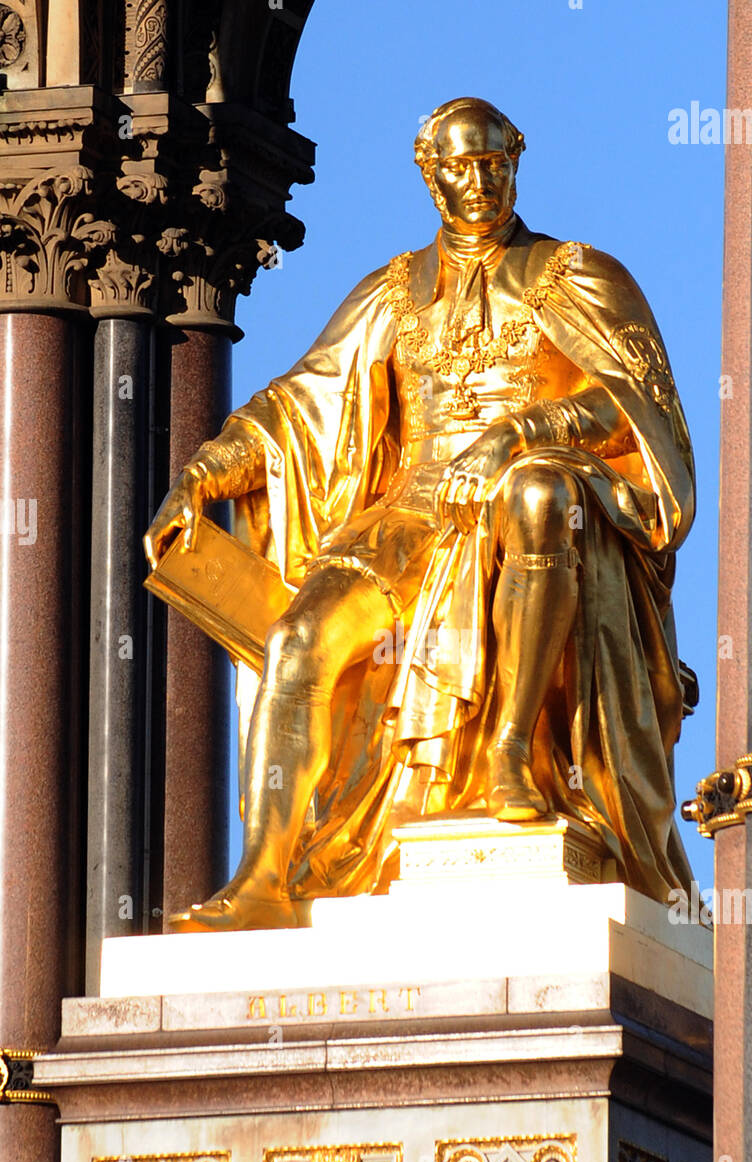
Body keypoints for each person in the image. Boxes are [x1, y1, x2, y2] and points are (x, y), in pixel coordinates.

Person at [144, 96, 696, 930]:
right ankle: (264, 877)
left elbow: (633, 407)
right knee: (298, 641)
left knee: (537, 494)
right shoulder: (395, 291)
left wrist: (523, 430)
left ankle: (512, 754)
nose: (478, 183)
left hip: (530, 512)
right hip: (407, 522)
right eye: (459, 167)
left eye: (493, 164)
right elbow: (301, 403)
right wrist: (203, 475)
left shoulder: (578, 274)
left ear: (516, 159)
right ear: (427, 171)